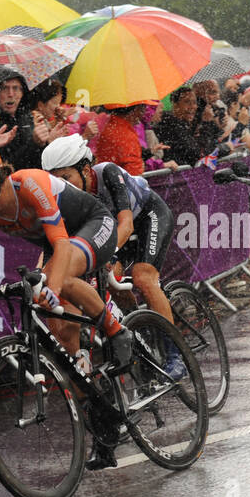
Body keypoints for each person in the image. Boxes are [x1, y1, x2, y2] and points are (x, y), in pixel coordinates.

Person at [0, 140, 130, 468]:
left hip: (93, 225)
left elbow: (60, 244)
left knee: (61, 275)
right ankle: (102, 423)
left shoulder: (30, 184)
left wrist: (52, 288)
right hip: (60, 243)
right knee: (63, 338)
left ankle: (117, 331)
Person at [41, 134, 185, 379]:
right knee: (111, 280)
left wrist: (102, 256)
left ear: (86, 170)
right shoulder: (66, 197)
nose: (62, 186)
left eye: (66, 178)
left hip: (148, 218)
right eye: (55, 181)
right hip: (115, 233)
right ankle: (139, 324)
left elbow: (126, 225)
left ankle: (176, 354)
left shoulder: (107, 172)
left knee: (142, 277)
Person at [153, 89, 206, 167]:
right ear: (175, 105)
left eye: (194, 102)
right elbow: (193, 153)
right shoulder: (168, 126)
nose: (193, 107)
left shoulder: (186, 124)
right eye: (187, 102)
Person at [93, 103, 150, 174]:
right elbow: (134, 176)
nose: (143, 113)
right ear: (137, 110)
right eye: (143, 108)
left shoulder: (109, 127)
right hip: (119, 182)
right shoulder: (126, 135)